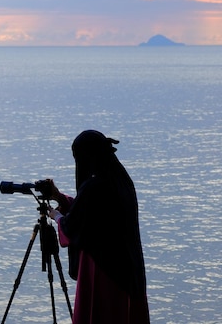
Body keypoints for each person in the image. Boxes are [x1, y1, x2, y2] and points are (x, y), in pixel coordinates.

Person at [46, 130, 150, 324]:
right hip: (128, 273)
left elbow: (74, 225)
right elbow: (89, 212)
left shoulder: (94, 187)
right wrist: (59, 197)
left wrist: (57, 217)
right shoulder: (121, 182)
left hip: (103, 272)